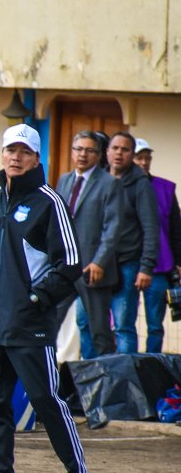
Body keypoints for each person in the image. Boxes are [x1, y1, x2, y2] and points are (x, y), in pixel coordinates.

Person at [0, 124, 99, 473]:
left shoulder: (49, 202)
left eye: (24, 152)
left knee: (47, 401)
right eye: (10, 150)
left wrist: (36, 298)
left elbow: (72, 264)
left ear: (36, 159)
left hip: (29, 324)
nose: (15, 157)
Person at [53, 131, 122, 360]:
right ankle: (51, 383)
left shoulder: (109, 183)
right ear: (72, 152)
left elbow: (112, 229)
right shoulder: (64, 180)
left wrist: (99, 261)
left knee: (99, 333)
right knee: (49, 323)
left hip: (92, 269)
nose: (83, 154)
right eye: (78, 149)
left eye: (89, 150)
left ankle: (109, 388)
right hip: (65, 267)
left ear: (99, 154)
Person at [106, 131, 159, 354]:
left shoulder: (141, 185)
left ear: (131, 155)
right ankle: (92, 381)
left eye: (125, 149)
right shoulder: (99, 179)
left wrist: (146, 267)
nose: (119, 153)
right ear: (107, 151)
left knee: (123, 326)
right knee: (88, 324)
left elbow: (150, 228)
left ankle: (126, 383)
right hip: (97, 264)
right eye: (115, 148)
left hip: (128, 265)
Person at [133, 139, 181, 354]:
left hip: (159, 266)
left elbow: (175, 229)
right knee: (124, 325)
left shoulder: (165, 188)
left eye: (147, 158)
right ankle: (128, 366)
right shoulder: (116, 186)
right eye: (139, 158)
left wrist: (179, 262)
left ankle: (152, 368)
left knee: (155, 325)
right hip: (127, 265)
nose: (143, 162)